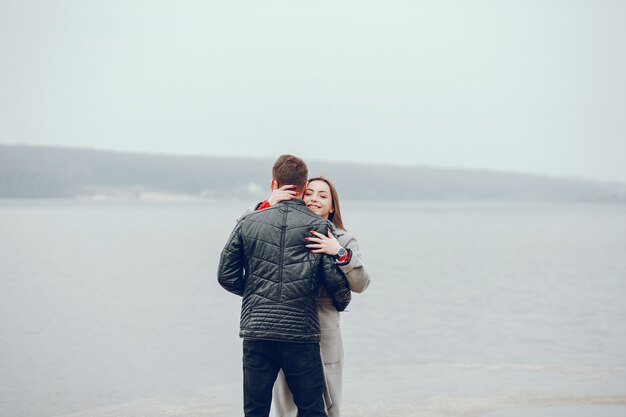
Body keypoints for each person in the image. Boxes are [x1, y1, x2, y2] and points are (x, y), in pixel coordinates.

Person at [217, 155, 352, 417]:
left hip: (257, 330)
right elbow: (335, 283)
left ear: (273, 183)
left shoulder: (250, 221)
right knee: (311, 409)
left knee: (255, 409)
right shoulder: (319, 226)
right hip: (301, 333)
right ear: (304, 189)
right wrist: (342, 301)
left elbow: (226, 275)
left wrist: (258, 294)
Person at [254, 177, 371, 417]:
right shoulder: (281, 233)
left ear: (332, 206)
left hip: (323, 330)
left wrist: (337, 251)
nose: (314, 199)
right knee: (286, 404)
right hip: (286, 326)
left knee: (327, 404)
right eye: (309, 193)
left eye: (322, 195)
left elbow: (361, 283)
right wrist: (266, 204)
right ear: (299, 197)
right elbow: (243, 233)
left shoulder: (344, 239)